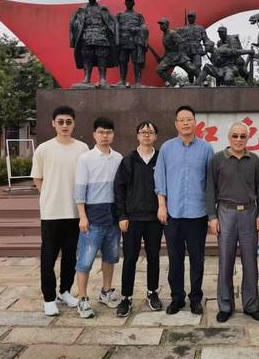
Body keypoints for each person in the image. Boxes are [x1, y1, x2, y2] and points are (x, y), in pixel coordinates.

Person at [154, 105, 214, 315]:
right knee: (175, 258)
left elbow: (211, 182)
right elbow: (160, 178)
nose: (186, 123)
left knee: (197, 258)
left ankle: (196, 298)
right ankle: (177, 298)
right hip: (173, 213)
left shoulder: (206, 149)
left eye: (189, 119)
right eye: (182, 120)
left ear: (195, 122)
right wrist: (162, 205)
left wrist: (211, 213)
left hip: (198, 214)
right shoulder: (167, 148)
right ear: (176, 124)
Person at [31, 105, 89, 316]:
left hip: (74, 212)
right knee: (48, 256)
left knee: (70, 256)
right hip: (51, 212)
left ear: (74, 124)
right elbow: (38, 178)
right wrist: (49, 194)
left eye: (68, 122)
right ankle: (49, 298)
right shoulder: (43, 149)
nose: (65, 125)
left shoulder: (83, 148)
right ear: (53, 124)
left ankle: (65, 291)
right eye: (61, 122)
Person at [206, 122, 259, 323]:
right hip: (225, 213)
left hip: (249, 214)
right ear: (229, 137)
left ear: (247, 138)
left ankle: (251, 305)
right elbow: (210, 189)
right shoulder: (218, 159)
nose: (239, 140)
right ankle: (225, 305)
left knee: (250, 262)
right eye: (235, 136)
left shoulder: (254, 160)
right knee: (225, 262)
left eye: (242, 136)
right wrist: (212, 217)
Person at [73, 117, 123, 318]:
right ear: (94, 134)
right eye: (101, 132)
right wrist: (82, 216)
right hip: (93, 216)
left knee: (111, 257)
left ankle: (106, 292)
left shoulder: (118, 158)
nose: (105, 136)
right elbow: (79, 190)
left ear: (113, 134)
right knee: (85, 259)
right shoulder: (86, 159)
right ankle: (83, 298)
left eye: (108, 132)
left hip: (113, 216)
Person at [114, 120, 163, 317]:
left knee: (154, 257)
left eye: (150, 132)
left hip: (154, 218)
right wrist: (122, 215)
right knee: (130, 258)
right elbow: (119, 190)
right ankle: (126, 297)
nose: (146, 135)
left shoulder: (161, 159)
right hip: (132, 219)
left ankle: (152, 292)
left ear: (155, 136)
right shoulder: (128, 160)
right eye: (143, 132)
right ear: (137, 136)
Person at [69, 0, 118, 88]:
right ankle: (87, 77)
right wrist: (74, 35)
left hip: (101, 35)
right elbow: (72, 23)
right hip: (87, 35)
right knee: (87, 57)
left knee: (101, 57)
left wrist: (113, 35)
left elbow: (114, 21)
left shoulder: (103, 9)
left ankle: (102, 78)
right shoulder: (81, 9)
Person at [155, 18, 198, 87]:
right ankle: (175, 83)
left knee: (192, 68)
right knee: (159, 69)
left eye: (162, 24)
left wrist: (179, 54)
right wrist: (162, 57)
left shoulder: (172, 33)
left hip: (179, 56)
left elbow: (181, 43)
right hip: (170, 57)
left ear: (167, 25)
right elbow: (167, 49)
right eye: (160, 25)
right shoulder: (164, 35)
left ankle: (203, 80)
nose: (161, 26)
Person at [115, 0, 148, 88]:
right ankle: (122, 80)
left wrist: (137, 28)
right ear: (125, 3)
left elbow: (144, 27)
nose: (129, 3)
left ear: (134, 3)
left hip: (135, 41)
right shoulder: (119, 15)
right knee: (122, 61)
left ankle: (138, 82)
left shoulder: (138, 15)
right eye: (127, 1)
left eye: (130, 1)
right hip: (123, 41)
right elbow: (114, 26)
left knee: (136, 61)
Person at [178, 11, 214, 82]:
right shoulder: (182, 29)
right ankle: (191, 83)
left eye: (192, 16)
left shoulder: (200, 28)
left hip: (197, 49)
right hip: (186, 50)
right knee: (189, 68)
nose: (190, 18)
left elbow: (205, 39)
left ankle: (200, 82)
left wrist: (208, 46)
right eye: (189, 17)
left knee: (197, 65)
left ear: (195, 18)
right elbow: (177, 39)